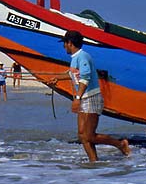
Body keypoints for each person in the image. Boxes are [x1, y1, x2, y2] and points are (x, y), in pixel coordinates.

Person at [50, 30, 130, 162]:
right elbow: (73, 74)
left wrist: (77, 99)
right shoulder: (75, 58)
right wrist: (57, 78)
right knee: (83, 136)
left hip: (91, 97)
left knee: (89, 136)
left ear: (69, 43)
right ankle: (94, 163)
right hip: (84, 98)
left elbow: (85, 79)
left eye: (64, 43)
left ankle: (120, 144)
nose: (63, 46)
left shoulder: (83, 57)